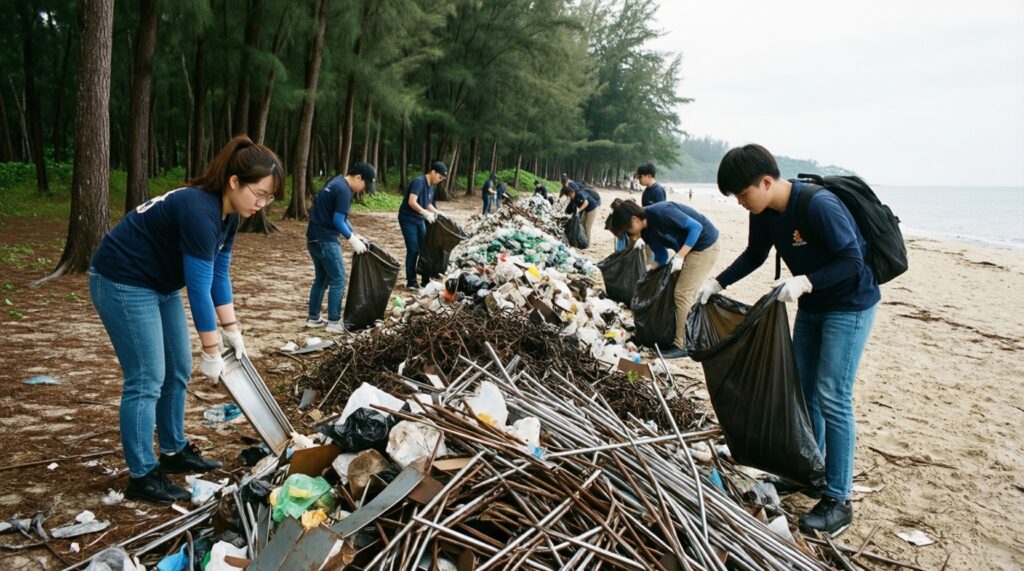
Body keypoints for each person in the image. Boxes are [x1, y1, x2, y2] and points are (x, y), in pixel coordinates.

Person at [89, 136, 283, 503]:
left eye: (269, 197)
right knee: (147, 378)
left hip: (158, 283)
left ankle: (174, 450)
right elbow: (198, 288)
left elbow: (219, 275)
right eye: (259, 194)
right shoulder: (200, 211)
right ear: (234, 182)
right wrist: (211, 350)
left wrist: (232, 331)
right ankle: (143, 474)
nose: (262, 204)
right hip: (121, 279)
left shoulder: (230, 217)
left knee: (177, 367)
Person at [699, 144, 879, 535]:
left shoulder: (818, 205)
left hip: (849, 304)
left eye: (744, 195)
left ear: (766, 181)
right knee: (803, 389)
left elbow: (853, 261)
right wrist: (717, 282)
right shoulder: (765, 212)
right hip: (813, 306)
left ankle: (838, 498)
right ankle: (807, 471)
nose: (743, 203)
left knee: (833, 394)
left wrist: (806, 280)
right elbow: (755, 254)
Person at [607, 198, 719, 359]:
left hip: (705, 245)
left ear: (634, 219)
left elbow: (696, 227)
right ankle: (677, 332)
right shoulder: (645, 232)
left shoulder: (661, 212)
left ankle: (682, 345)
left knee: (682, 293)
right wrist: (648, 274)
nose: (630, 234)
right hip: (689, 249)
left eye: (628, 229)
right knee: (674, 291)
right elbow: (661, 255)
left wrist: (680, 256)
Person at [305, 162, 377, 334]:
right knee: (338, 279)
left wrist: (355, 234)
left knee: (321, 279)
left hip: (313, 239)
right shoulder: (344, 190)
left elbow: (341, 217)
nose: (363, 190)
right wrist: (351, 240)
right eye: (364, 186)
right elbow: (337, 220)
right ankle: (334, 321)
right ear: (358, 177)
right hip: (326, 240)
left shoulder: (335, 182)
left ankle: (313, 318)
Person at [399, 161, 447, 289]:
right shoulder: (419, 182)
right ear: (433, 172)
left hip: (419, 220)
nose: (440, 180)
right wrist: (424, 213)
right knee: (413, 249)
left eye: (442, 179)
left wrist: (437, 212)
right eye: (440, 177)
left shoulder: (431, 187)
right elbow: (411, 201)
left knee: (425, 249)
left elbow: (427, 203)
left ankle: (425, 279)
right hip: (408, 219)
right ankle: (411, 282)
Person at [561, 176, 600, 246]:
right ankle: (583, 240)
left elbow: (586, 203)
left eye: (570, 195)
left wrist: (579, 210)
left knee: (587, 226)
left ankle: (587, 244)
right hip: (586, 209)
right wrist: (567, 211)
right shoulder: (573, 197)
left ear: (572, 193)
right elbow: (572, 205)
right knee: (582, 224)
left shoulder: (579, 194)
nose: (570, 197)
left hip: (592, 208)